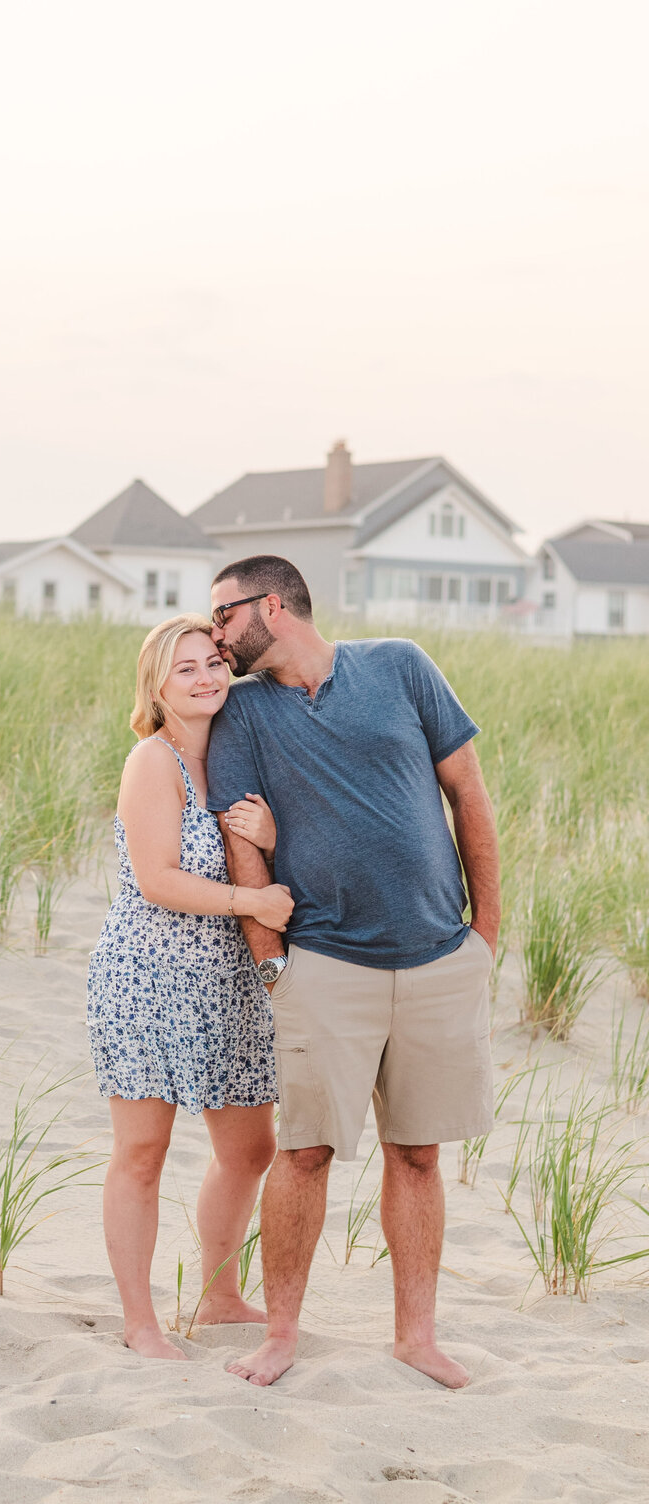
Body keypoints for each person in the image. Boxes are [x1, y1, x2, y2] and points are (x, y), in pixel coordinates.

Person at [205, 556, 501, 1391]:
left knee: (417, 1156)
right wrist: (272, 967)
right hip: (324, 963)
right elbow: (238, 838)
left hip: (441, 957)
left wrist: (486, 928)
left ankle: (415, 1337)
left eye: (223, 616)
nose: (216, 634)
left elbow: (468, 793)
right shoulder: (244, 712)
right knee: (304, 1154)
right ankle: (281, 1335)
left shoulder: (400, 665)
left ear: (272, 605)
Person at [86, 614, 295, 1360]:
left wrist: (272, 841)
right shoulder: (154, 760)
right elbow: (157, 879)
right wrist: (252, 902)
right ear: (157, 686)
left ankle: (218, 1294)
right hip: (148, 975)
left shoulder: (241, 756)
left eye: (213, 662)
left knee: (250, 1148)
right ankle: (140, 1321)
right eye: (186, 670)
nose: (207, 678)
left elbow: (280, 857)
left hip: (232, 982)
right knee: (143, 1148)